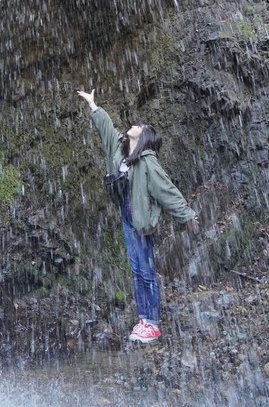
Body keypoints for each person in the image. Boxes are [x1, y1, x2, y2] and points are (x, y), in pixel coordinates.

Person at [76, 87, 199, 344]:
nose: (134, 125)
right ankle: (143, 318)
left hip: (143, 221)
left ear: (144, 137)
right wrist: (93, 105)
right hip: (127, 215)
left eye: (140, 126)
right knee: (135, 269)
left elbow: (167, 191)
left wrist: (186, 215)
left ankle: (152, 323)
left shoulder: (147, 161)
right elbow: (106, 129)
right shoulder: (120, 150)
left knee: (146, 270)